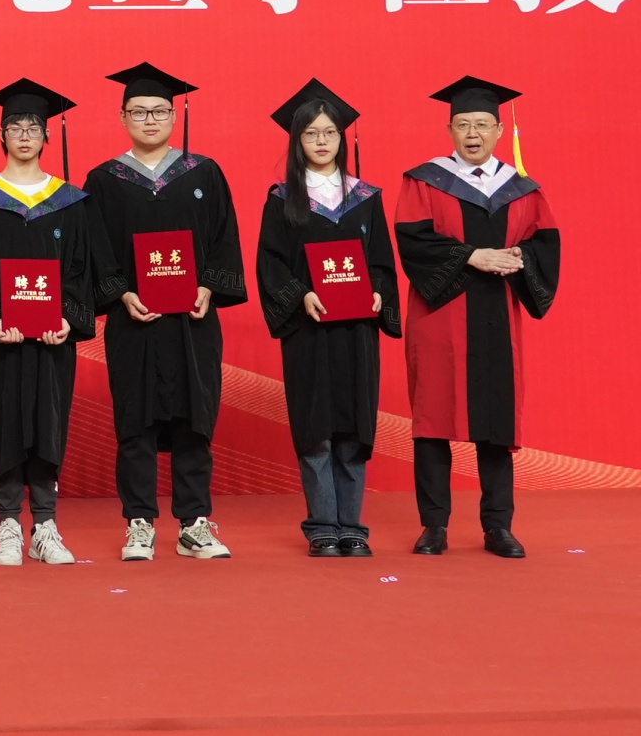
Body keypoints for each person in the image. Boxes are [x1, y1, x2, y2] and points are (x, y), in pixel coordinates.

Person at [85, 63, 244, 563]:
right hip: (134, 321)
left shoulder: (204, 173)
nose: (150, 119)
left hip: (193, 320)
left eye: (159, 111)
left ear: (175, 116)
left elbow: (224, 241)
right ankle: (139, 523)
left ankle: (194, 523)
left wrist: (208, 286)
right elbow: (95, 250)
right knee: (136, 421)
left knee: (195, 419)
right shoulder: (104, 180)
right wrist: (120, 294)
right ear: (122, 117)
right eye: (139, 112)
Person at [395, 76, 560, 558]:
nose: (473, 133)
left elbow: (544, 243)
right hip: (440, 318)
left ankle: (498, 526)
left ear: (499, 130)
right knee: (433, 419)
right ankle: (434, 526)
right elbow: (413, 240)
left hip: (498, 316)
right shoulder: (425, 180)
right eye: (463, 124)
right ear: (449, 129)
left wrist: (519, 258)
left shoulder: (522, 188)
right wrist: (472, 256)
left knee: (497, 419)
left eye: (482, 124)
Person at [0, 80, 100, 568]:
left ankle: (47, 526)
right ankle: (9, 525)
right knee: (6, 423)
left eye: (33, 127)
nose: (23, 135)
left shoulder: (70, 202)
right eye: (14, 127)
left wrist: (68, 318)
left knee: (49, 423)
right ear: (1, 135)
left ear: (46, 136)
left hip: (54, 337)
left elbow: (80, 269)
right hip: (3, 338)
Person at [253, 81, 400, 558]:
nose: (321, 141)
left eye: (330, 132)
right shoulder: (282, 199)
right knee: (316, 430)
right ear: (297, 140)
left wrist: (378, 293)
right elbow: (271, 264)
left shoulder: (365, 197)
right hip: (309, 331)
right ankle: (322, 526)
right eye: (311, 133)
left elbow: (382, 262)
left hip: (357, 330)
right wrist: (301, 295)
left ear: (342, 138)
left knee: (354, 428)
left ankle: (352, 527)